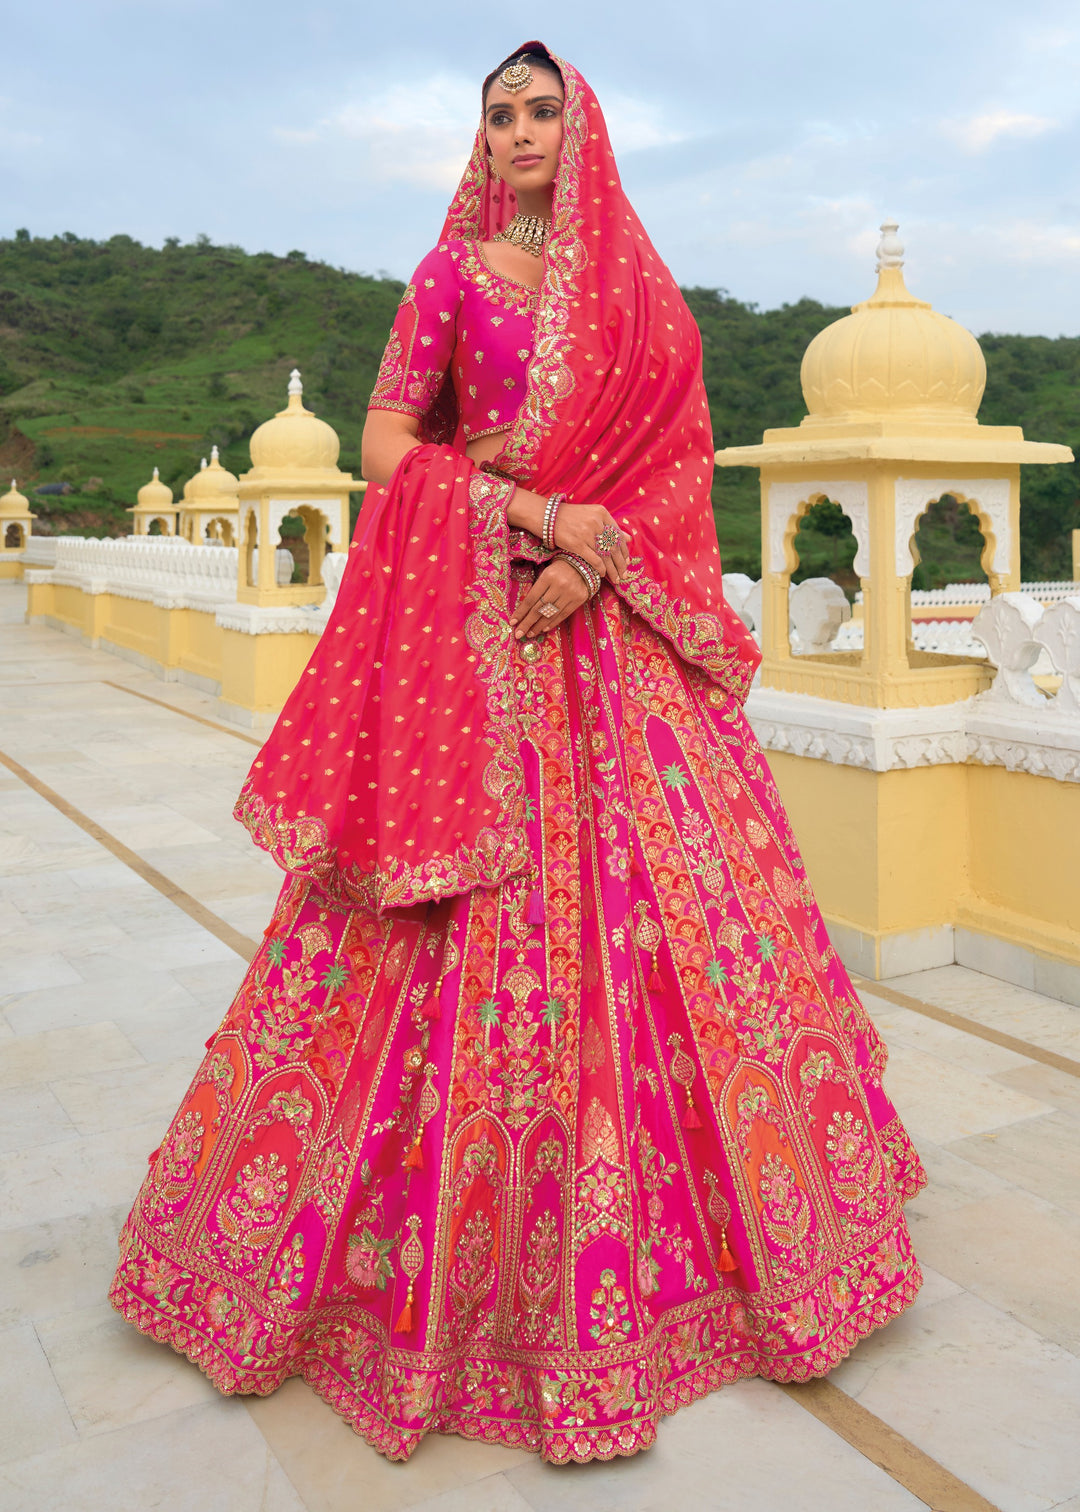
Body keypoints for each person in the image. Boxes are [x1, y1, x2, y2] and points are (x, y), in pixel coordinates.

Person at [110, 42, 925, 1465]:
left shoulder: (633, 294)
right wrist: (537, 528)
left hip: (617, 653)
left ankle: (742, 1258)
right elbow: (380, 447)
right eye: (499, 113)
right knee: (445, 947)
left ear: (584, 130)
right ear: (477, 139)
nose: (521, 130)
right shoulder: (449, 278)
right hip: (477, 646)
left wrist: (602, 564)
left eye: (544, 109)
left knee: (673, 936)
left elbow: (671, 463)